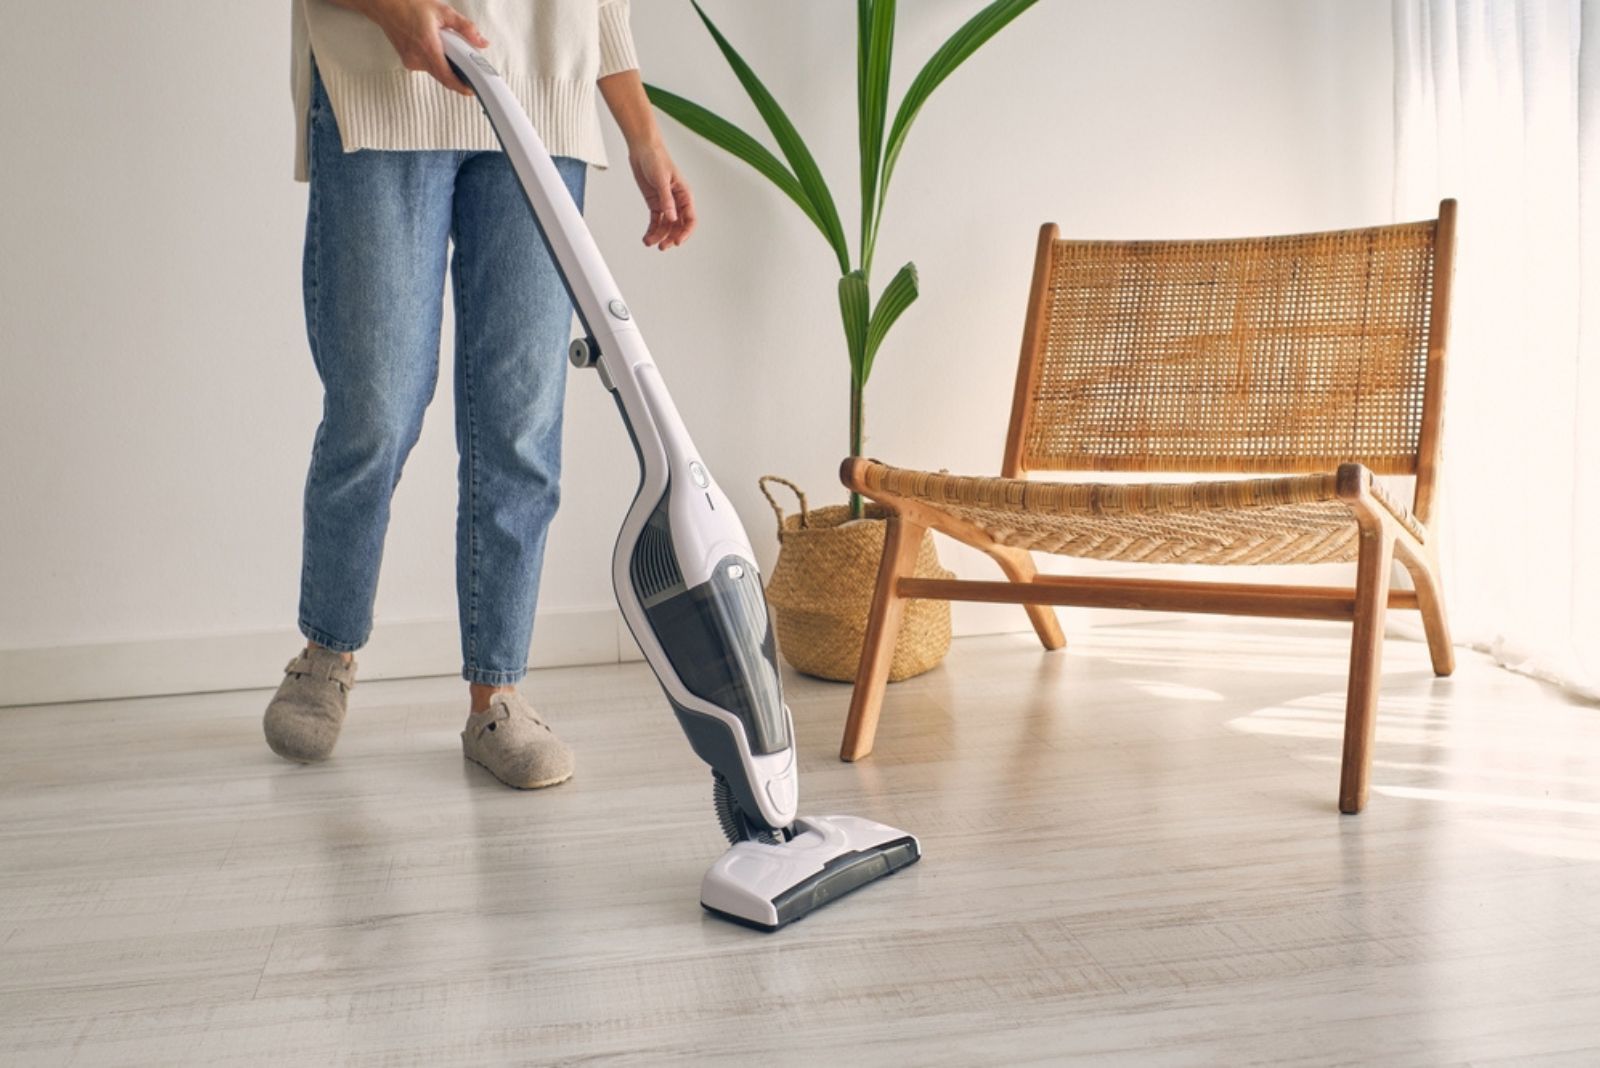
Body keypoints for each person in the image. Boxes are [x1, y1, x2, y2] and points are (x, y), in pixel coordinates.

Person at [264, 0, 695, 788]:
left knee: (521, 422)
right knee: (377, 407)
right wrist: (392, 13)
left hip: (541, 110)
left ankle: (497, 693)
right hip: (380, 85)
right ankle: (327, 649)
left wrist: (643, 131)